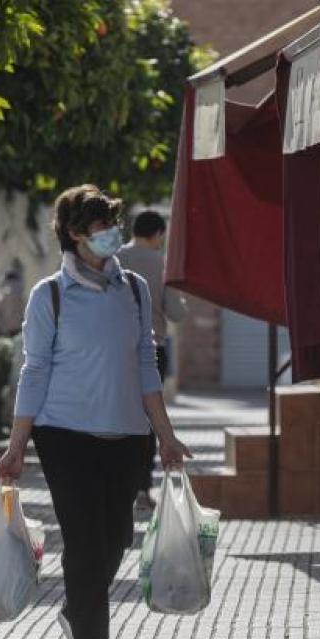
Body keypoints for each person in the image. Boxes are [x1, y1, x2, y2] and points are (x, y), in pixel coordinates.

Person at [0, 186, 191, 639]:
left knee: (117, 539)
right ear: (76, 235)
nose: (111, 235)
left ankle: (74, 608)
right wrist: (17, 445)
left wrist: (165, 436)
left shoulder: (134, 290)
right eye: (100, 228)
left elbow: (146, 365)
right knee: (84, 542)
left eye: (112, 225)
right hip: (64, 435)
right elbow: (34, 370)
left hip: (127, 433)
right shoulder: (50, 296)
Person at [117, 210, 188, 511]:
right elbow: (176, 313)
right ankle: (142, 489)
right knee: (149, 422)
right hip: (152, 350)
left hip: (115, 352)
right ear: (158, 234)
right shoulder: (163, 264)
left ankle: (116, 485)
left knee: (117, 417)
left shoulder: (113, 259)